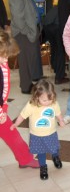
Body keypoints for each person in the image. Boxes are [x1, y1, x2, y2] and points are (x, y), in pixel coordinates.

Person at [0, 29, 39, 169]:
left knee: (11, 134)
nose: (6, 60)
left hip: (1, 108)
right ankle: (25, 158)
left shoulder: (2, 65)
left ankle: (25, 158)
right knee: (11, 133)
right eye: (3, 57)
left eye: (7, 57)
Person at [11, 79, 65, 180]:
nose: (48, 102)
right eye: (44, 100)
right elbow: (23, 115)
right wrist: (16, 124)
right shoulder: (31, 105)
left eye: (51, 99)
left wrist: (61, 120)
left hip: (51, 132)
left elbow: (58, 113)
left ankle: (55, 157)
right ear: (37, 96)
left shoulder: (54, 103)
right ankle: (43, 167)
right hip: (36, 135)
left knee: (54, 147)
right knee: (41, 152)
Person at [9, 0, 43, 94]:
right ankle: (25, 86)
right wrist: (28, 32)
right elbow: (18, 17)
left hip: (29, 31)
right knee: (25, 60)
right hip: (23, 33)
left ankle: (28, 84)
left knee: (29, 59)